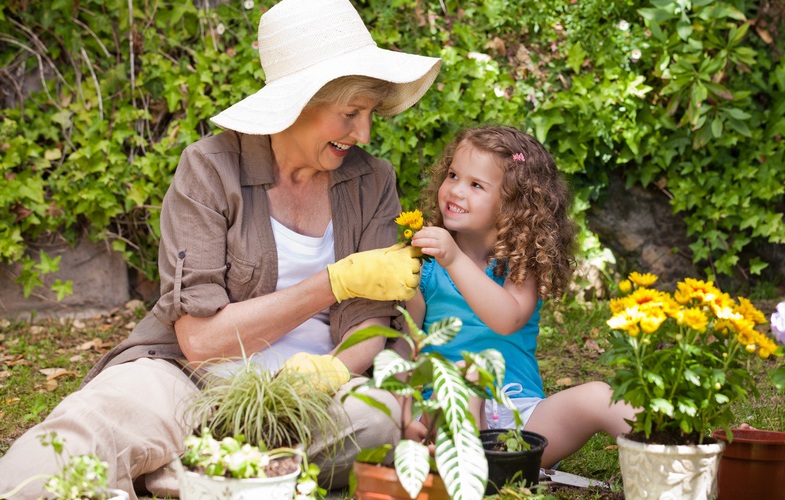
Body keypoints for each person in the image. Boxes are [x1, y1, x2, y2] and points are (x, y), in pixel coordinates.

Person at [0, 0, 441, 497]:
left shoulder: (372, 180)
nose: (363, 133)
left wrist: (329, 373)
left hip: (313, 399)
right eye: (350, 114)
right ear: (298, 103)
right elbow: (201, 342)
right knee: (90, 426)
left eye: (369, 115)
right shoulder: (209, 170)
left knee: (375, 421)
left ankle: (186, 465)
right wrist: (330, 283)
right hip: (191, 378)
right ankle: (217, 461)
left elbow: (369, 323)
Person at [405, 126, 636, 468]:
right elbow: (407, 350)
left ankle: (681, 456)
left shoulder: (519, 264)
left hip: (523, 420)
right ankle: (470, 473)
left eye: (476, 185)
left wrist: (453, 259)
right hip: (449, 410)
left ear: (513, 204)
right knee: (462, 378)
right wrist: (408, 417)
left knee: (601, 397)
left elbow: (507, 318)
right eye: (453, 175)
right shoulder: (423, 268)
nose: (455, 190)